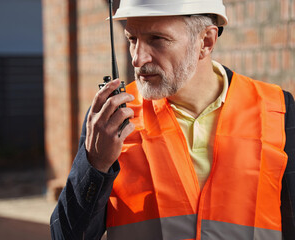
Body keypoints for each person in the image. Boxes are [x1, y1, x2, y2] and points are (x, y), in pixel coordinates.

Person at [50, 0, 295, 239]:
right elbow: (66, 235)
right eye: (132, 39)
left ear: (206, 41)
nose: (137, 58)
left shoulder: (278, 110)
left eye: (157, 40)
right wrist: (95, 165)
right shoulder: (111, 119)